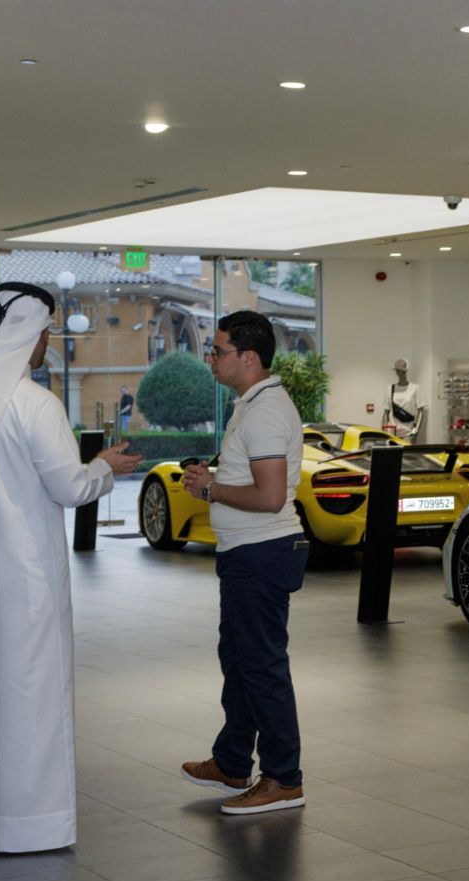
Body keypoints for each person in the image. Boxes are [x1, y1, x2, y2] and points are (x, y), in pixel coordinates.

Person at [0, 283, 141, 852]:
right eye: (44, 333)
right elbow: (69, 486)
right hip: (24, 573)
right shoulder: (33, 404)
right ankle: (32, 824)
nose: (46, 344)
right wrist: (104, 466)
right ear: (28, 335)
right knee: (32, 688)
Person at [179, 311, 310, 815]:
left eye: (218, 350)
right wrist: (213, 477)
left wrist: (211, 488)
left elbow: (272, 496)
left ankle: (284, 778)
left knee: (261, 668)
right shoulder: (249, 406)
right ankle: (233, 761)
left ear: (249, 357)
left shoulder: (266, 411)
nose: (210, 358)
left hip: (262, 552)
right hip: (244, 553)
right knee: (238, 663)